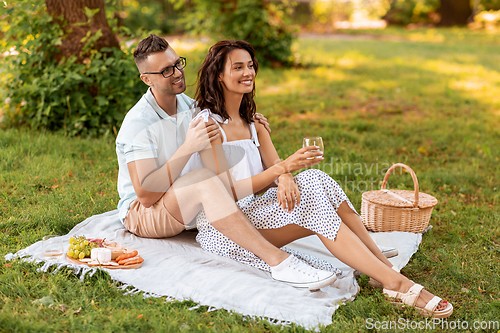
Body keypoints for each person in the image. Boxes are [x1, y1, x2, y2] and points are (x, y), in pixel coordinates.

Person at [190, 40, 453, 318]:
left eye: (251, 66)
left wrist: (287, 175)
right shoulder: (209, 126)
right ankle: (394, 281)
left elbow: (278, 166)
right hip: (227, 230)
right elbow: (226, 193)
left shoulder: (253, 122)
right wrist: (282, 171)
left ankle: (380, 267)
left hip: (257, 211)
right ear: (218, 74)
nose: (248, 73)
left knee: (316, 177)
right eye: (238, 67)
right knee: (314, 202)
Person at [115, 34, 339, 290]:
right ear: (146, 79)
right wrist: (188, 148)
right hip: (144, 213)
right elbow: (145, 195)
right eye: (166, 70)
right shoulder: (138, 123)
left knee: (218, 184)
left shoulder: (191, 107)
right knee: (204, 180)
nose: (177, 73)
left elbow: (226, 115)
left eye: (178, 63)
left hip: (184, 203)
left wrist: (249, 119)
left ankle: (355, 246)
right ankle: (279, 262)